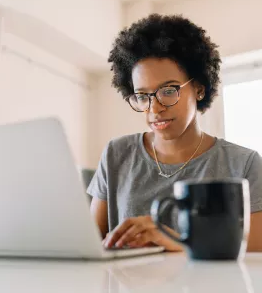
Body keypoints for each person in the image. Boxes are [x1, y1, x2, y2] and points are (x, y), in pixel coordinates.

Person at [87, 14, 262, 252]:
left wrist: (174, 242)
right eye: (142, 96)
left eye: (168, 91)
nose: (154, 108)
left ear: (199, 88)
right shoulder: (116, 154)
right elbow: (90, 244)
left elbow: (255, 255)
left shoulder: (244, 164)